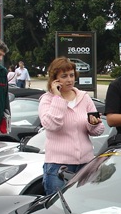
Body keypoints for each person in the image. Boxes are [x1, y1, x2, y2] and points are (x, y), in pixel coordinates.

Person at [38, 57, 105, 194]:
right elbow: (51, 125)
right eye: (64, 76)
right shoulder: (47, 100)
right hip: (58, 166)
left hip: (85, 164)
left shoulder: (84, 97)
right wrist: (58, 98)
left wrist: (92, 124)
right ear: (54, 80)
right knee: (59, 208)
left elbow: (99, 130)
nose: (69, 79)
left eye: (71, 75)